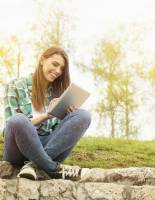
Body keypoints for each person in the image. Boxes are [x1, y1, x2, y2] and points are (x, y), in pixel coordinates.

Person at [2, 46, 91, 180]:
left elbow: (59, 136)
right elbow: (11, 126)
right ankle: (53, 168)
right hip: (18, 148)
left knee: (83, 116)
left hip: (47, 147)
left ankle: (34, 166)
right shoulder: (16, 85)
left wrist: (68, 116)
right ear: (42, 60)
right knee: (18, 120)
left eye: (61, 69)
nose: (57, 71)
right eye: (55, 64)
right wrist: (46, 116)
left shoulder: (57, 95)